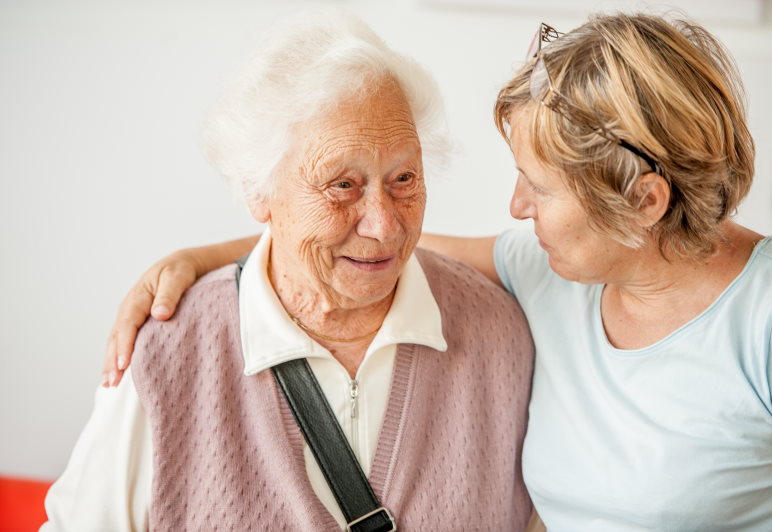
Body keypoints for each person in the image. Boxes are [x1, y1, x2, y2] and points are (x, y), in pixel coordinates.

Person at [104, 12, 772, 530]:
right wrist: (206, 257)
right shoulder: (550, 271)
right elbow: (380, 237)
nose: (515, 206)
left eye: (542, 188)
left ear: (644, 202)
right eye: (344, 185)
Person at [43, 9, 536, 531]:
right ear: (259, 191)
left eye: (404, 177)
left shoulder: (501, 337)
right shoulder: (169, 353)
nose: (384, 225)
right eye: (342, 185)